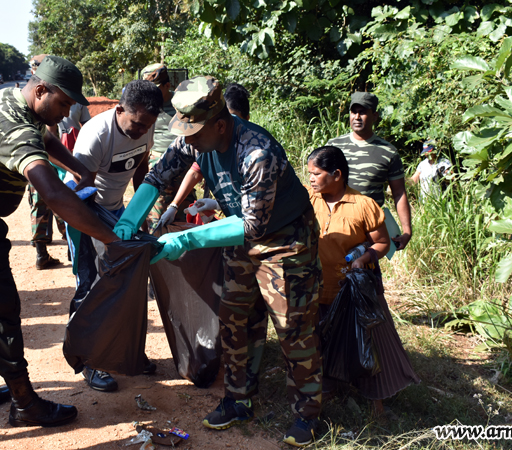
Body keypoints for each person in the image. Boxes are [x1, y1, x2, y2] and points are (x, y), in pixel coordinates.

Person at [124, 76, 323, 447]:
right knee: (234, 318)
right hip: (238, 237)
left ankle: (308, 414)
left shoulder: (256, 153)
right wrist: (130, 218)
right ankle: (238, 399)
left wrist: (187, 238)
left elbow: (253, 225)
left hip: (283, 240)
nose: (189, 142)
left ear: (219, 124)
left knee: (292, 325)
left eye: (195, 134)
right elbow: (159, 175)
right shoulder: (195, 138)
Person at [0, 55, 118, 427]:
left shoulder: (8, 97)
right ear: (41, 89)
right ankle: (25, 403)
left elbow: (46, 138)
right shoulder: (17, 129)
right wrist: (110, 238)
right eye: (63, 103)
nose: (66, 113)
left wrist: (77, 168)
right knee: (1, 311)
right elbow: (50, 193)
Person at [306, 145, 420, 417]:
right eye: (309, 173)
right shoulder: (311, 199)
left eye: (316, 173)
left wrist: (362, 258)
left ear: (337, 174)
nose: (311, 178)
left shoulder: (363, 205)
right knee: (323, 337)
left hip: (351, 288)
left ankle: (376, 403)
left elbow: (382, 243)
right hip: (318, 286)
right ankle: (329, 386)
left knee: (368, 344)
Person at [67, 79, 162, 392]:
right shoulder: (96, 135)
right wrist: (106, 235)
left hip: (118, 212)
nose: (139, 131)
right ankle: (88, 361)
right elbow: (82, 193)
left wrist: (138, 216)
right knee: (93, 285)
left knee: (126, 282)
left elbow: (141, 170)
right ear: (120, 110)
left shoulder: (145, 125)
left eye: (146, 126)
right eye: (135, 124)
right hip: (84, 213)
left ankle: (123, 352)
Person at [155, 82, 251, 229]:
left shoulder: (252, 153)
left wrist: (219, 204)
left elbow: (254, 220)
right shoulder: (211, 143)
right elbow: (195, 171)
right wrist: (174, 206)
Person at [325, 92, 412, 250]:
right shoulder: (333, 146)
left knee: (364, 272)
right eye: (353, 112)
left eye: (363, 112)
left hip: (369, 232)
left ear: (375, 115)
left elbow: (399, 193)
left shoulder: (388, 152)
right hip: (335, 226)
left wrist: (407, 231)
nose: (357, 117)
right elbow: (320, 183)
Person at [141, 63, 198, 231]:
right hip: (157, 163)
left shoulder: (182, 105)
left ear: (167, 85)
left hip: (183, 164)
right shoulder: (146, 106)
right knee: (156, 217)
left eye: (156, 89)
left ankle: (181, 255)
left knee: (183, 213)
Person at [26, 54, 67, 269]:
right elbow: (50, 139)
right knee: (61, 202)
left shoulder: (40, 96)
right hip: (44, 162)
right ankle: (70, 245)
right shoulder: (42, 98)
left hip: (38, 163)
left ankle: (42, 252)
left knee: (40, 206)